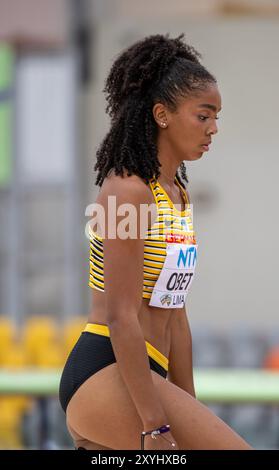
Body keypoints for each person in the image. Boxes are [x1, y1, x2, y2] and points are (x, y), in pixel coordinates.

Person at [59, 33, 252, 450]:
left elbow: (175, 313)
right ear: (162, 114)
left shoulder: (177, 195)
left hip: (149, 375)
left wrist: (188, 405)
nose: (214, 128)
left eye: (216, 116)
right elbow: (121, 316)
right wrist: (157, 424)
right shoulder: (126, 190)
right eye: (203, 116)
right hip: (105, 372)